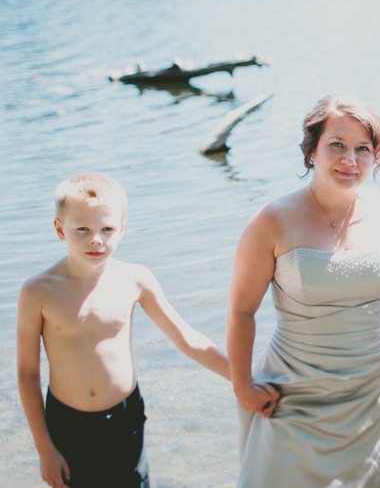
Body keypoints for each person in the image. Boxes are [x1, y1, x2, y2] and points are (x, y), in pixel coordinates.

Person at [226, 94, 380, 487]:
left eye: (362, 149)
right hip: (293, 395)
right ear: (311, 151)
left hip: (374, 392)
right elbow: (241, 311)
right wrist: (242, 387)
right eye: (336, 145)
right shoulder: (272, 220)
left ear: (376, 157)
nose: (349, 160)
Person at [16, 172, 231, 488]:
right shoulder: (38, 292)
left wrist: (243, 380)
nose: (96, 239)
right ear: (60, 229)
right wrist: (44, 448)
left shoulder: (135, 279)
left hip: (125, 417)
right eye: (83, 230)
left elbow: (186, 339)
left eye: (107, 229)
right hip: (68, 423)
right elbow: (27, 374)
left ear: (122, 228)